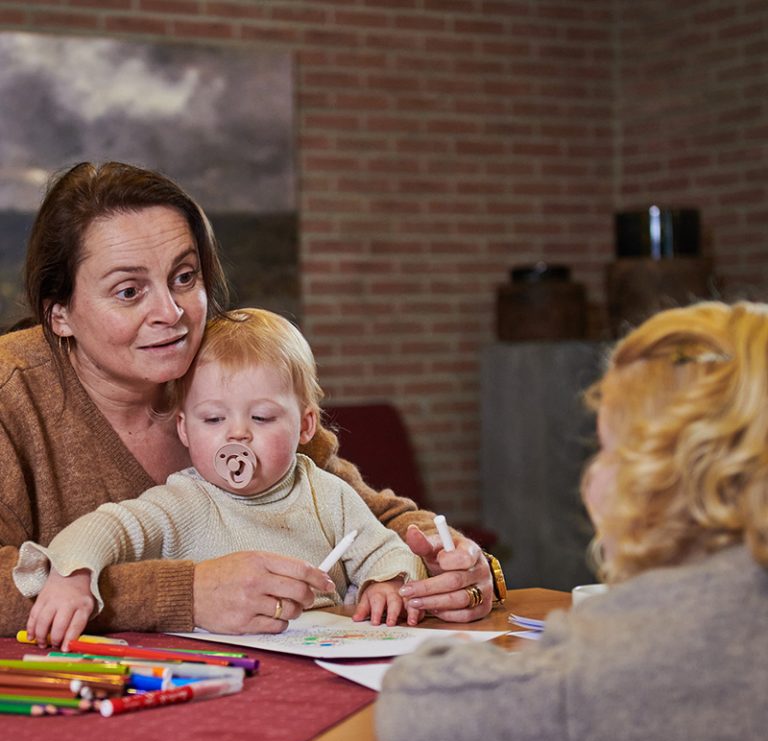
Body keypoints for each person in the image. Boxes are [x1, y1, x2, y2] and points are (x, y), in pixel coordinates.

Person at [0, 160, 497, 639]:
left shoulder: (225, 365)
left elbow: (363, 513)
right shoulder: (12, 393)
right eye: (129, 291)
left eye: (184, 277)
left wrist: (454, 568)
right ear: (59, 313)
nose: (171, 313)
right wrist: (187, 593)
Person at [376, 300, 768, 741]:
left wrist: (486, 580)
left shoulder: (604, 674)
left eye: (607, 449)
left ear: (655, 477)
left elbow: (418, 699)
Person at [14, 308, 428, 649]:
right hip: (218, 665)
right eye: (213, 418)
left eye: (261, 417)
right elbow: (105, 528)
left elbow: (386, 549)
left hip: (321, 657)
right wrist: (72, 576)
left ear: (305, 427)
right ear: (184, 430)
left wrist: (387, 583)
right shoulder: (181, 502)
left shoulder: (327, 494)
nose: (237, 434)